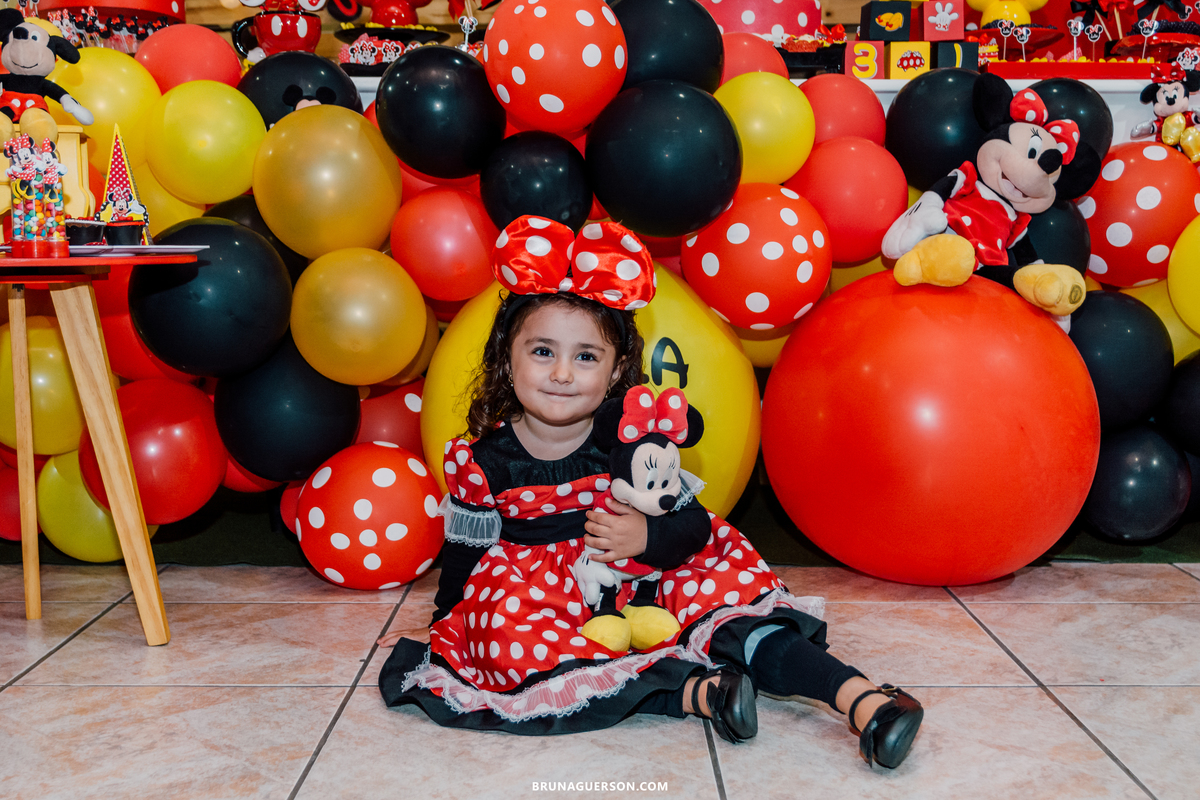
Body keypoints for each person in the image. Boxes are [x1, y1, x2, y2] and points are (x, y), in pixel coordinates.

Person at [378, 215, 924, 768]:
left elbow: (689, 523)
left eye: (586, 356)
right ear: (507, 356)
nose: (563, 372)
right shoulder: (480, 460)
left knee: (727, 610)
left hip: (649, 573)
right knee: (500, 633)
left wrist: (646, 533)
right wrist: (448, 620)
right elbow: (467, 552)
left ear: (616, 373)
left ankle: (864, 702)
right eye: (542, 351)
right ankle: (702, 693)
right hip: (538, 595)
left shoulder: (636, 441)